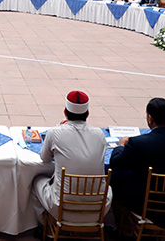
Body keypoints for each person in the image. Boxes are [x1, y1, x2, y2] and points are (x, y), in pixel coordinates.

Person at [110, 97, 165, 229]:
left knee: (115, 180)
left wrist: (121, 146)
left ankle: (122, 229)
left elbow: (116, 164)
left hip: (146, 206)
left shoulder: (138, 143)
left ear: (150, 118)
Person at [31, 91, 112, 223]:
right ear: (87, 114)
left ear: (65, 112)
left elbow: (44, 158)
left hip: (62, 208)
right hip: (98, 210)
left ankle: (47, 227)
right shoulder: (99, 134)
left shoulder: (54, 132)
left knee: (37, 181)